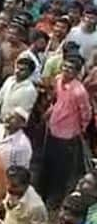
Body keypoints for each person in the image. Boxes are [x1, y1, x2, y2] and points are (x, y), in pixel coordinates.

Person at [40, 56, 93, 207]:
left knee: (61, 168)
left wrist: (79, 129)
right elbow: (57, 101)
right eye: (65, 66)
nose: (66, 70)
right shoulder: (58, 80)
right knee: (47, 162)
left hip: (67, 135)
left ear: (77, 73)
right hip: (53, 128)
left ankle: (55, 199)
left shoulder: (79, 91)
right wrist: (50, 112)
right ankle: (43, 192)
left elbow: (86, 114)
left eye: (70, 69)